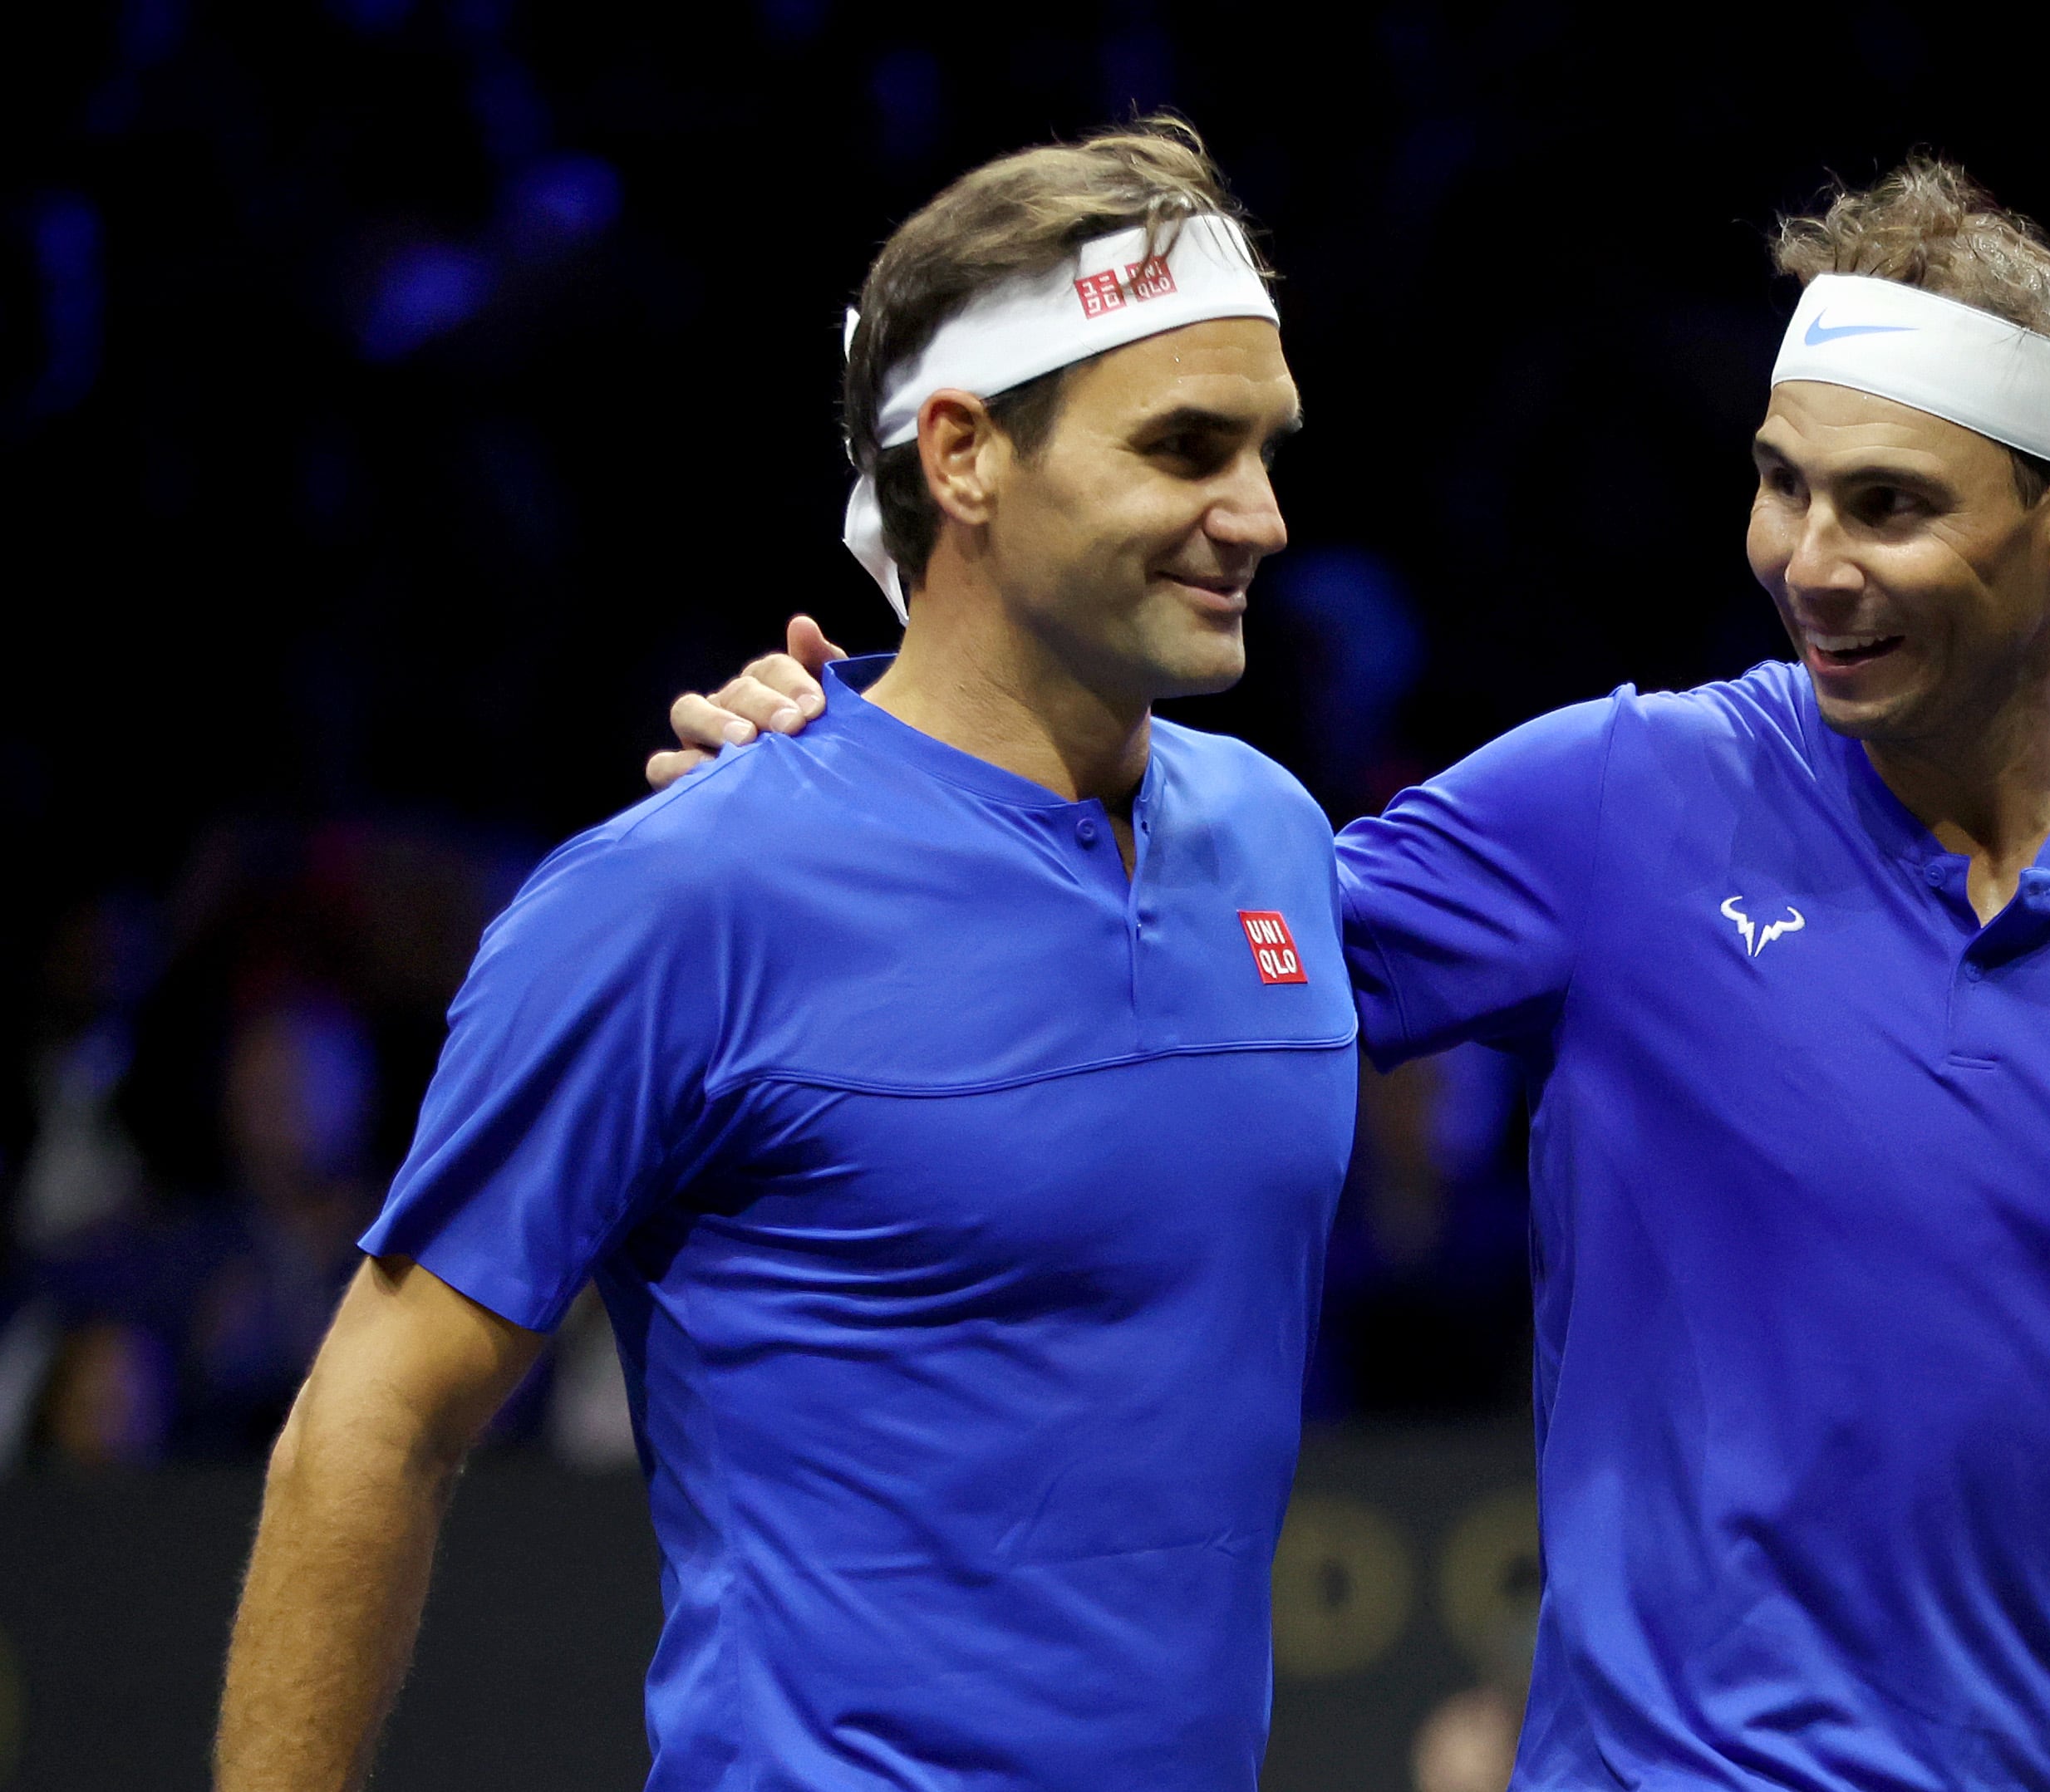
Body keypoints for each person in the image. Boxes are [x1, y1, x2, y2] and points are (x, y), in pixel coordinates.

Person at [664, 160, 2050, 1790]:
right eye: (1778, 485)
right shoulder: (1612, 802)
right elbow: (1136, 955)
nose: (1803, 561)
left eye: (1886, 506)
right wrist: (855, 778)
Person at [217, 120, 1356, 1790]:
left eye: (1266, 449)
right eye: (1184, 449)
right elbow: (370, 1425)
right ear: (961, 456)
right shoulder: (682, 892)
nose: (1253, 514)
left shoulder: (1275, 837)